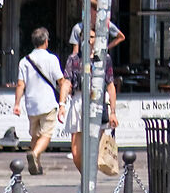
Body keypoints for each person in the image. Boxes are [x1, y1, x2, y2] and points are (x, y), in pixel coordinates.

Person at [63, 17, 119, 177]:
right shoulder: (74, 59)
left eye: (92, 37)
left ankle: (89, 185)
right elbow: (67, 81)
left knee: (94, 147)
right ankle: (86, 179)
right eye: (85, 37)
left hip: (97, 103)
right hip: (79, 102)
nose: (89, 41)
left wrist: (113, 111)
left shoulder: (104, 59)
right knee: (76, 152)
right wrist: (61, 103)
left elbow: (110, 85)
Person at [14, 28, 66, 176]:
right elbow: (61, 81)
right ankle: (35, 154)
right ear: (46, 41)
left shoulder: (24, 61)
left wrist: (17, 104)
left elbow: (20, 84)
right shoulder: (52, 59)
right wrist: (62, 102)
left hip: (31, 104)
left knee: (35, 135)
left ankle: (38, 164)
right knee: (46, 134)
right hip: (48, 102)